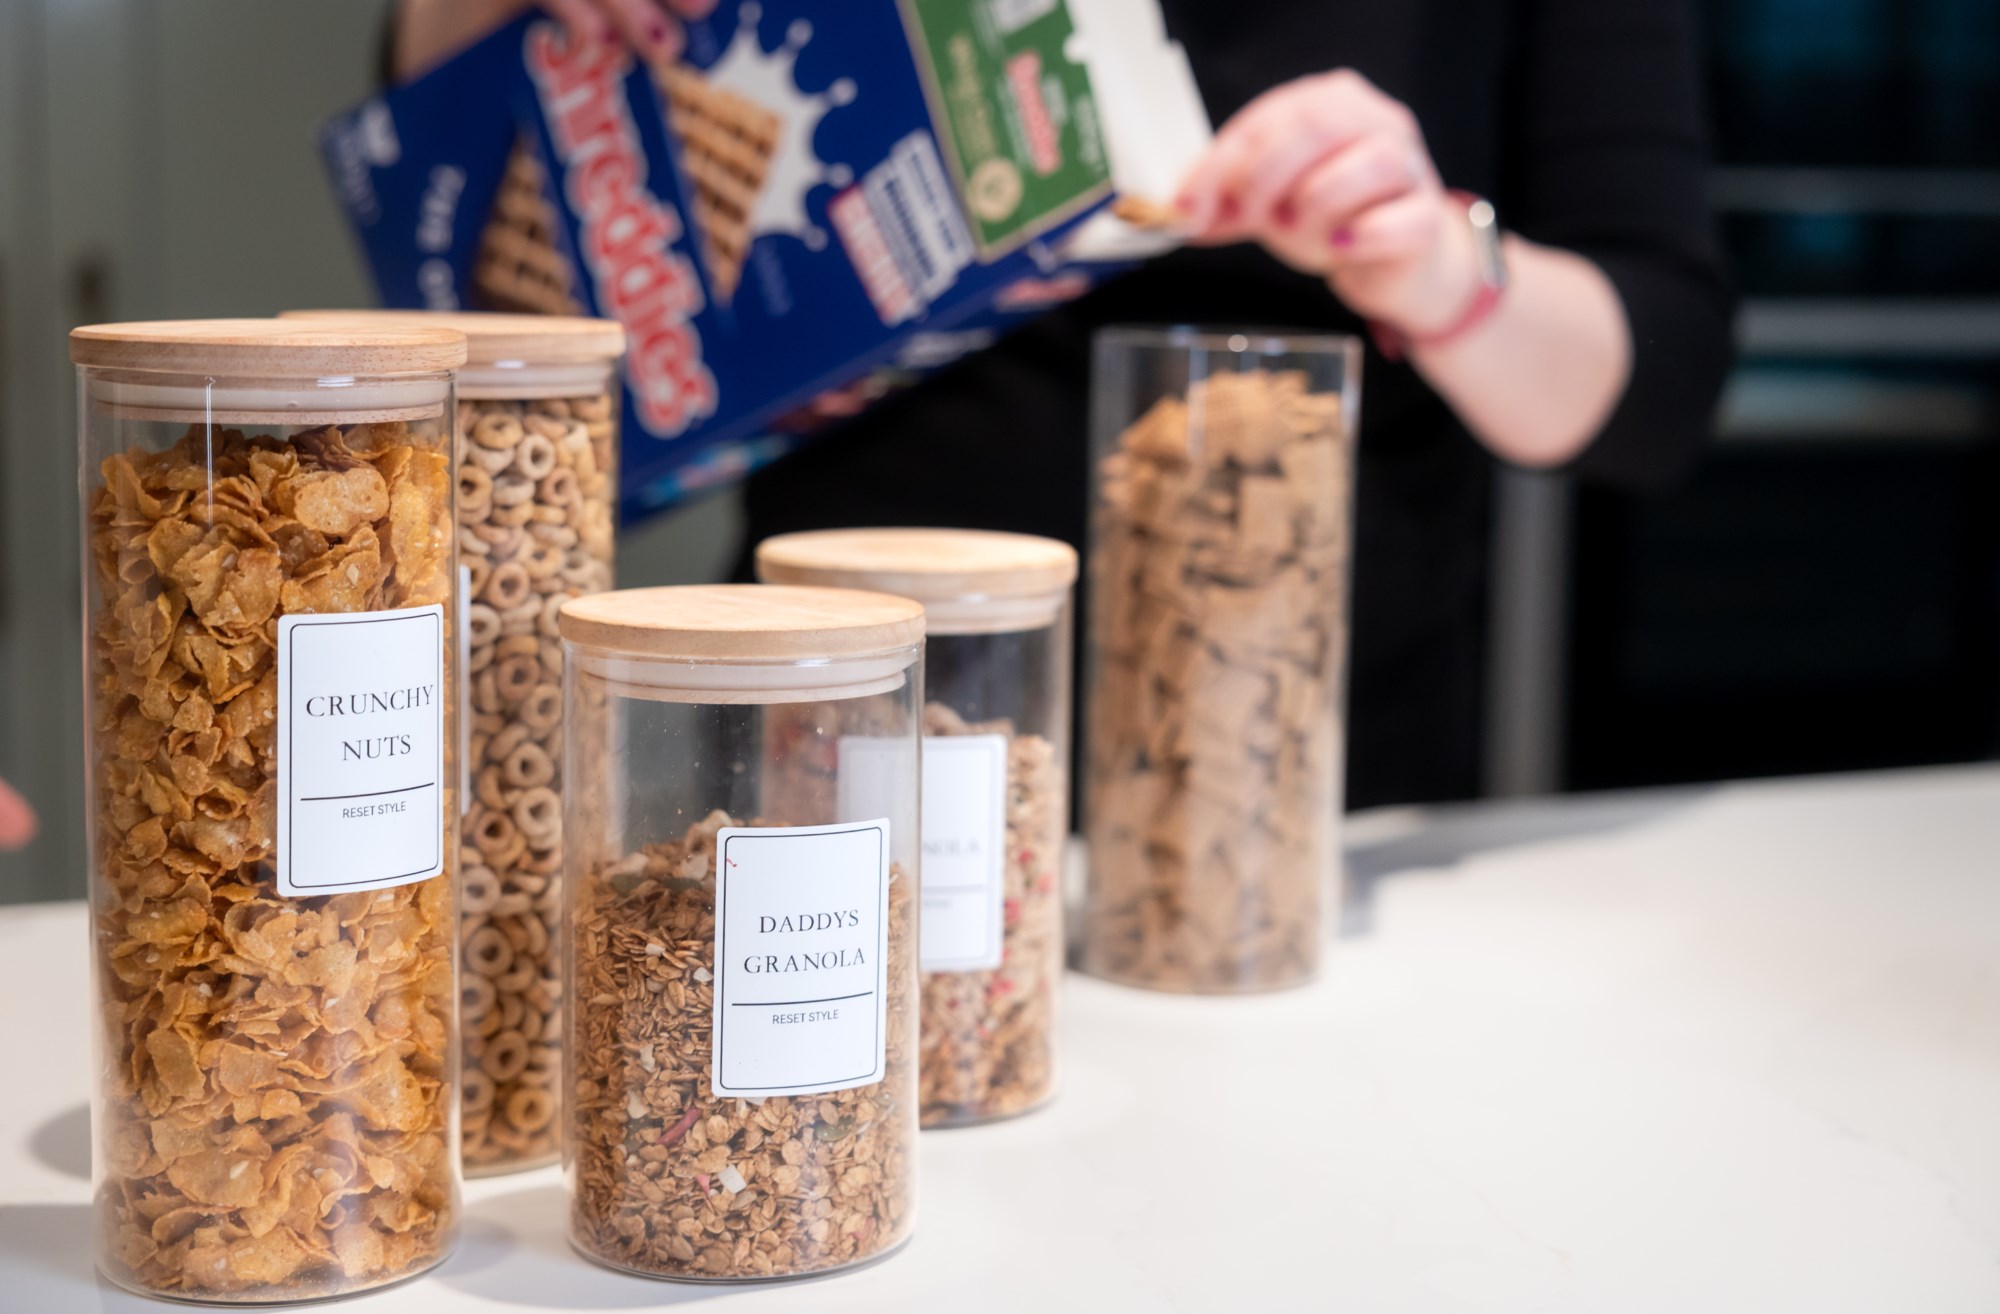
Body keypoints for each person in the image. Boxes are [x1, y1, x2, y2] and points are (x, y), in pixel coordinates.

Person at [398, 0, 1736, 808]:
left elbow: (1659, 371)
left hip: (1283, 782)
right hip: (853, 737)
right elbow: (436, 138)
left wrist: (1447, 266)